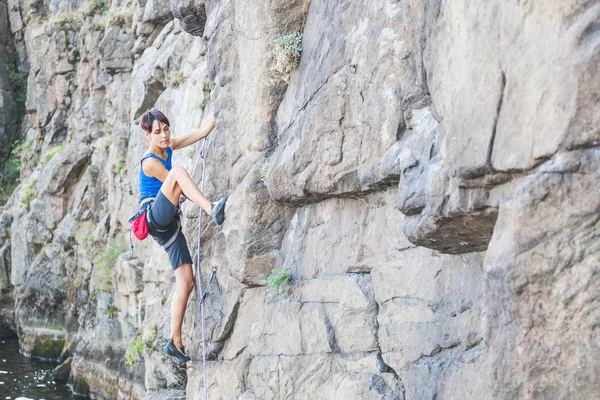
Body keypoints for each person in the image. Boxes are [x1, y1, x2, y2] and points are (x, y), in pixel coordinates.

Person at [138, 109, 227, 363]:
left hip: (168, 224)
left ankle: (174, 341)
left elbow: (197, 133)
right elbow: (177, 187)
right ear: (148, 135)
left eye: (166, 128)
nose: (165, 135)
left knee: (186, 281)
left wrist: (216, 113)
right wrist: (205, 204)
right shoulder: (149, 161)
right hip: (155, 217)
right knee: (177, 172)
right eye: (158, 132)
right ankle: (212, 209)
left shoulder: (168, 145)